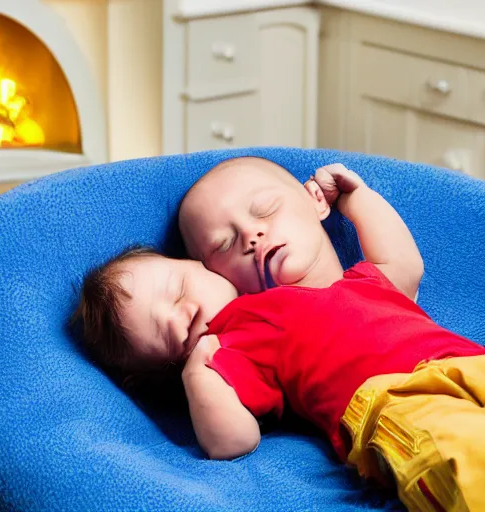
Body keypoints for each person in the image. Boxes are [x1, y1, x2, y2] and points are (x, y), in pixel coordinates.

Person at [177, 159, 485, 511]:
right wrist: (198, 371)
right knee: (469, 456)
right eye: (224, 244)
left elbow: (406, 264)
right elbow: (231, 440)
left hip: (471, 361)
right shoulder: (256, 325)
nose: (251, 236)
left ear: (315, 200)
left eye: (265, 210)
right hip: (399, 402)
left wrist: (354, 198)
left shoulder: (367, 281)